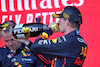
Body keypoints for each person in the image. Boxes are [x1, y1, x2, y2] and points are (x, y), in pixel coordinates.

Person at [15, 6, 88, 67]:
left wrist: (49, 30)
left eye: (60, 19)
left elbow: (36, 46)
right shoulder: (78, 41)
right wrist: (26, 41)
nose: (58, 22)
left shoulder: (69, 41)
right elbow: (48, 61)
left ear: (67, 22)